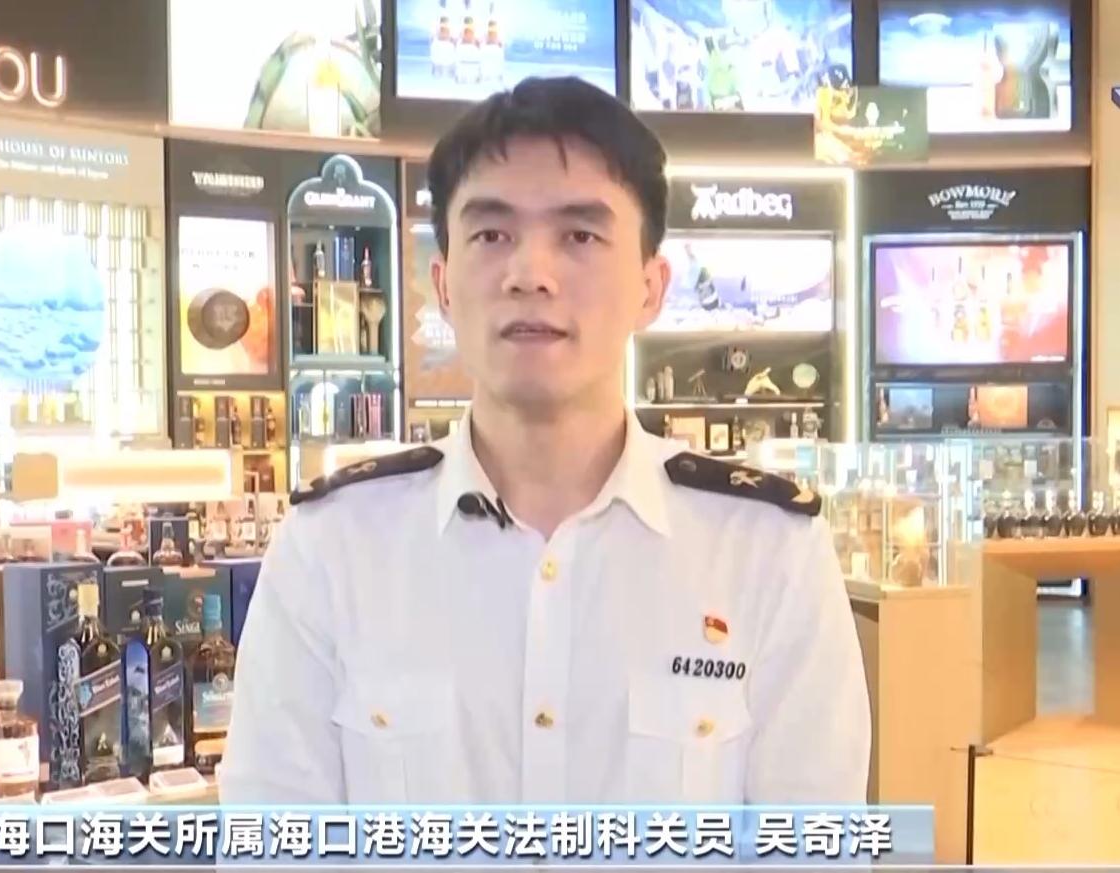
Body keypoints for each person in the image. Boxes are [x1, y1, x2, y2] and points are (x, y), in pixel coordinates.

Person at [220, 76, 870, 804]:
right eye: (492, 235)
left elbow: (810, 838)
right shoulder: (332, 549)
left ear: (651, 288)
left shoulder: (767, 553)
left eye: (580, 235)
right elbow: (275, 833)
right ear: (443, 284)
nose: (530, 274)